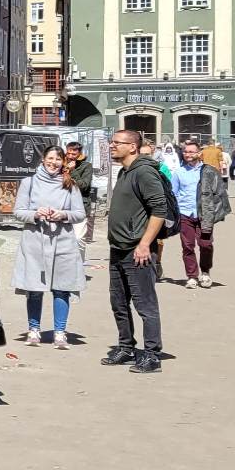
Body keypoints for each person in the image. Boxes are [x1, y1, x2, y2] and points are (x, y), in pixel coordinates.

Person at [102, 129, 166, 372]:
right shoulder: (125, 171)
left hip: (137, 250)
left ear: (132, 147)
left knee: (145, 304)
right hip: (118, 248)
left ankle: (152, 354)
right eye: (112, 142)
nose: (111, 146)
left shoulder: (144, 172)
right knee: (118, 302)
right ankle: (126, 347)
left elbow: (159, 210)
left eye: (117, 143)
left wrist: (144, 244)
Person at [13, 145, 86, 349]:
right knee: (34, 288)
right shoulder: (28, 182)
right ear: (43, 159)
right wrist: (35, 214)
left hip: (62, 241)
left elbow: (80, 213)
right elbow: (18, 211)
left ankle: (60, 332)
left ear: (63, 162)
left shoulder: (70, 185)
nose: (54, 163)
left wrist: (63, 214)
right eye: (51, 158)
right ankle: (33, 329)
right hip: (35, 241)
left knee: (61, 288)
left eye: (58, 159)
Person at [171, 137, 230, 289]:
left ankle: (205, 272)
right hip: (185, 214)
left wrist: (216, 214)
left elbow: (219, 193)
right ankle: (191, 276)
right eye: (185, 151)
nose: (188, 154)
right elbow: (173, 194)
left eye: (191, 151)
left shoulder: (209, 171)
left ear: (199, 153)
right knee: (188, 246)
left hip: (204, 214)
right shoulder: (179, 172)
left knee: (206, 244)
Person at [63, 142, 96, 241]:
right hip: (64, 206)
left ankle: (79, 257)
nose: (70, 156)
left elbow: (84, 186)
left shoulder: (86, 166)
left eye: (74, 154)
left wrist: (72, 171)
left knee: (78, 238)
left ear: (79, 154)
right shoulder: (62, 164)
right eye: (68, 153)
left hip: (80, 206)